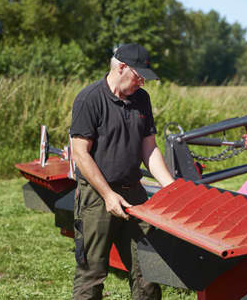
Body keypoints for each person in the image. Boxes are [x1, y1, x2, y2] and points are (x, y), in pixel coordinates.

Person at [70, 43, 175, 300]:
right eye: (138, 76)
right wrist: (107, 195)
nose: (141, 82)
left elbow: (149, 149)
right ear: (121, 68)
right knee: (91, 275)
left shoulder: (142, 99)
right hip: (96, 196)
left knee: (148, 271)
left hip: (135, 194)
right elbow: (80, 153)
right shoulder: (89, 99)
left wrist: (172, 188)